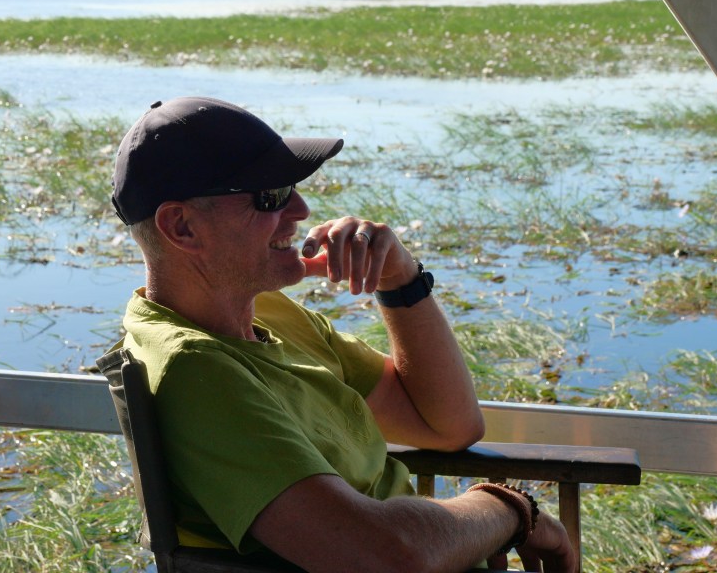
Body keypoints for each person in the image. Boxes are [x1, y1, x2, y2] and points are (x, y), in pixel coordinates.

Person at [110, 96, 576, 573]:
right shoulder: (193, 369)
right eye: (269, 195)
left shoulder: (267, 313)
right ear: (181, 226)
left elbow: (449, 426)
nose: (301, 208)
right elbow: (385, 558)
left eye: (289, 187)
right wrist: (512, 510)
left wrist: (400, 279)